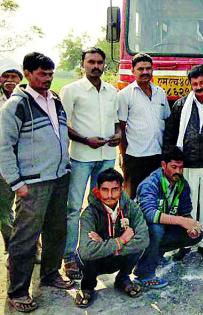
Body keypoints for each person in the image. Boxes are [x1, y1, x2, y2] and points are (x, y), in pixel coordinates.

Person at [0, 52, 74, 313]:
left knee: (56, 230)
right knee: (25, 238)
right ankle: (18, 291)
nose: (48, 78)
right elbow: (3, 148)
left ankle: (50, 274)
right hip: (32, 183)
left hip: (59, 177)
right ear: (28, 74)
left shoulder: (55, 99)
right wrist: (17, 183)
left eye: (51, 74)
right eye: (42, 74)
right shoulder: (15, 106)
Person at [60, 47, 120, 279]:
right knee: (74, 207)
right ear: (83, 64)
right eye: (91, 62)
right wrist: (86, 140)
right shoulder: (71, 90)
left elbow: (116, 122)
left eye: (99, 62)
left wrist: (117, 135)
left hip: (106, 156)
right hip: (81, 157)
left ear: (105, 65)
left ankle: (97, 250)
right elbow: (63, 123)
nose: (96, 66)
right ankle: (69, 256)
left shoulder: (111, 91)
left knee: (103, 206)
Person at [164, 64, 203, 261]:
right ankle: (186, 242)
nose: (198, 87)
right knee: (187, 205)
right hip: (188, 163)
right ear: (190, 84)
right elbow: (171, 134)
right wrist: (170, 162)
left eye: (202, 83)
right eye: (194, 83)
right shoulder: (181, 105)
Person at [75, 168, 150, 308]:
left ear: (122, 188)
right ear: (98, 189)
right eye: (105, 190)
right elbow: (86, 251)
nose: (109, 195)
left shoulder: (131, 207)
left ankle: (123, 278)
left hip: (118, 257)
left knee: (139, 246)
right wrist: (121, 240)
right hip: (97, 262)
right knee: (82, 255)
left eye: (115, 189)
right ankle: (87, 286)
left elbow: (143, 239)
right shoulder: (89, 213)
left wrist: (106, 245)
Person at [134, 147, 203, 288]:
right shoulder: (150, 183)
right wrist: (182, 221)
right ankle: (144, 273)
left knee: (198, 234)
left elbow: (185, 212)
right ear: (163, 165)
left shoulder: (182, 184)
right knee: (156, 229)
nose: (178, 171)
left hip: (164, 226)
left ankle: (155, 254)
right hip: (138, 231)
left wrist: (191, 228)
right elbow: (149, 214)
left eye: (181, 167)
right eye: (174, 167)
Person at [118, 53, 171, 198]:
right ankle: (131, 221)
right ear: (132, 70)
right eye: (141, 69)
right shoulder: (125, 95)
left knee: (156, 195)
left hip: (157, 154)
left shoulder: (160, 93)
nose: (145, 72)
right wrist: (124, 156)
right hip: (135, 155)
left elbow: (166, 121)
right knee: (133, 197)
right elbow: (121, 128)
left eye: (148, 68)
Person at [0, 60, 23, 253]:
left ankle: (32, 246)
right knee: (3, 208)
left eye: (13, 76)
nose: (9, 80)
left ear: (20, 79)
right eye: (5, 76)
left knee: (26, 209)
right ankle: (12, 245)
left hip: (24, 162)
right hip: (2, 162)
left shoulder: (26, 99)